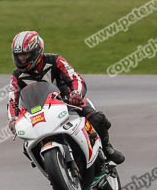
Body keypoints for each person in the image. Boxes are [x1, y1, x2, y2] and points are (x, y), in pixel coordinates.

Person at [7, 30, 125, 164]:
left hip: (68, 103)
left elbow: (75, 77)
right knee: (27, 145)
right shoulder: (16, 76)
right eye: (18, 55)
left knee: (96, 118)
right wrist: (13, 119)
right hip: (38, 113)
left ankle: (107, 148)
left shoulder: (55, 60)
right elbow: (12, 99)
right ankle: (50, 166)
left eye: (25, 54)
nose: (22, 59)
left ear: (36, 51)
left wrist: (76, 93)